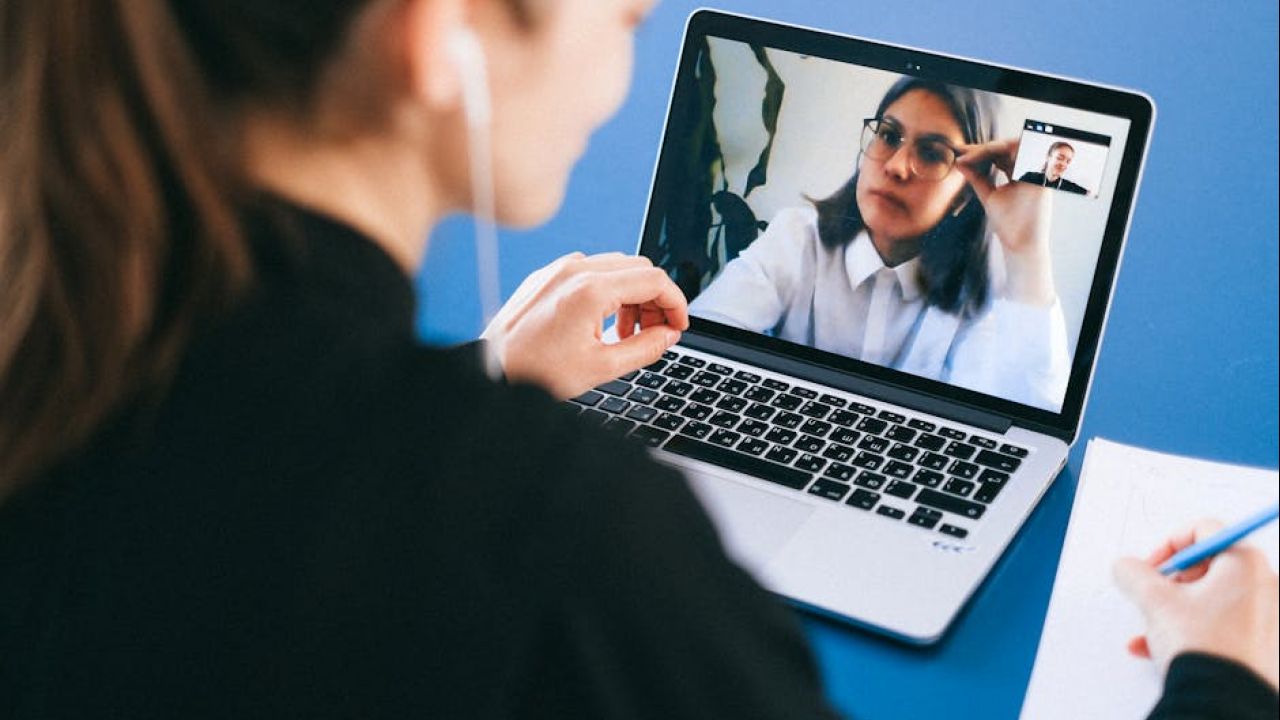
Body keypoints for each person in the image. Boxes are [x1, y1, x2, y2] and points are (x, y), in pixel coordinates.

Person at [0, 1, 1273, 718]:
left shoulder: (56, 343)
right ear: (439, 34)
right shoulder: (581, 549)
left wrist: (479, 390)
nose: (629, 44)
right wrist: (1222, 682)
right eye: (617, 14)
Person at [689, 78, 1072, 411]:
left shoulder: (984, 295)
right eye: (889, 136)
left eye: (932, 153)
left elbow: (1027, 418)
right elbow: (700, 343)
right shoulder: (797, 237)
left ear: (963, 196)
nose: (896, 166)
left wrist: (1027, 251)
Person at [1019, 140, 1090, 195]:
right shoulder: (1029, 178)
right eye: (1059, 158)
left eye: (1068, 161)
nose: (1063, 164)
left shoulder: (1071, 187)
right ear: (1048, 157)